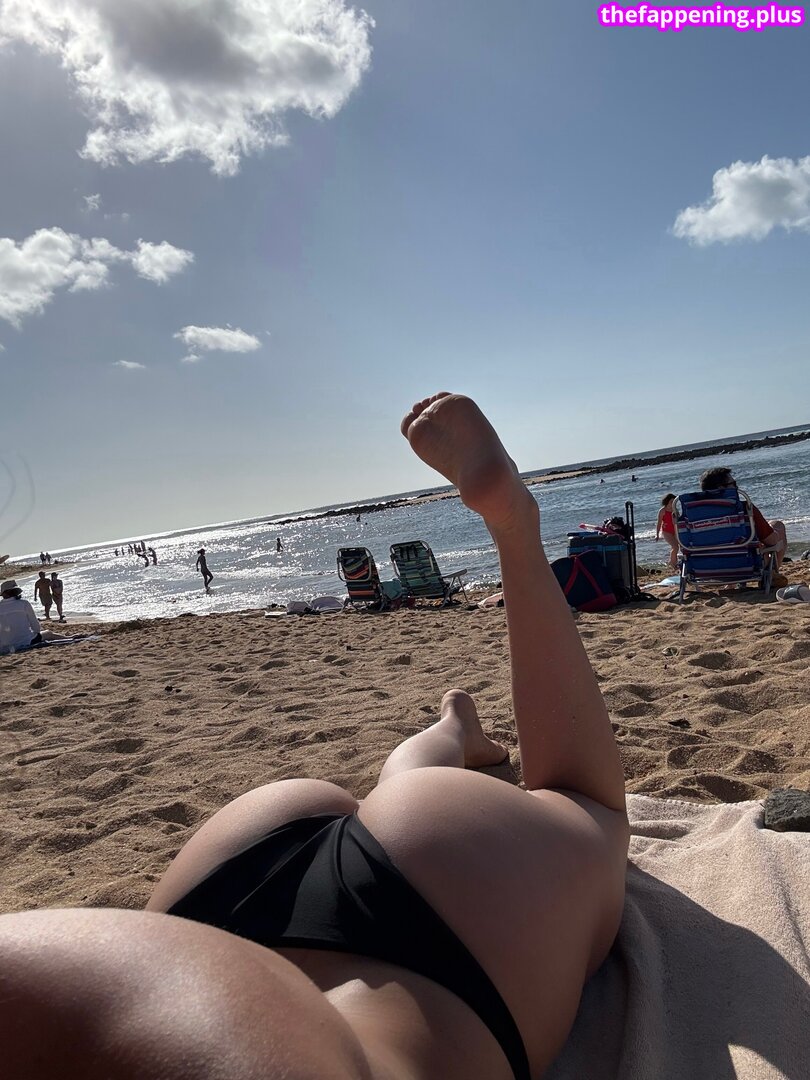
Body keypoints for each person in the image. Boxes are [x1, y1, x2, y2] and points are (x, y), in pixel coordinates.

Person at [0, 393, 629, 1080]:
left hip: (315, 942)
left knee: (575, 806)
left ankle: (464, 695)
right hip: (224, 888)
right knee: (464, 798)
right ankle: (477, 651)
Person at [699, 466, 788, 567]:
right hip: (746, 565)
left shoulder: (694, 516)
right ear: (721, 488)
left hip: (706, 568)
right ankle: (773, 573)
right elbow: (772, 541)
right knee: (777, 525)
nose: (737, 488)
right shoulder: (745, 509)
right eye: (733, 484)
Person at [0, 578, 42, 654]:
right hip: (25, 641)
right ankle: (66, 638)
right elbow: (36, 627)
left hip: (4, 645)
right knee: (48, 633)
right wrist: (36, 632)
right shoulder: (24, 603)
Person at [656, 492, 679, 569]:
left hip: (675, 530)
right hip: (666, 532)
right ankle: (673, 564)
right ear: (667, 502)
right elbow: (659, 523)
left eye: (674, 501)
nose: (673, 503)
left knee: (677, 547)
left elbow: (678, 521)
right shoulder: (662, 511)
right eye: (671, 501)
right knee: (675, 547)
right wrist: (657, 534)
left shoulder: (675, 510)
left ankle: (672, 561)